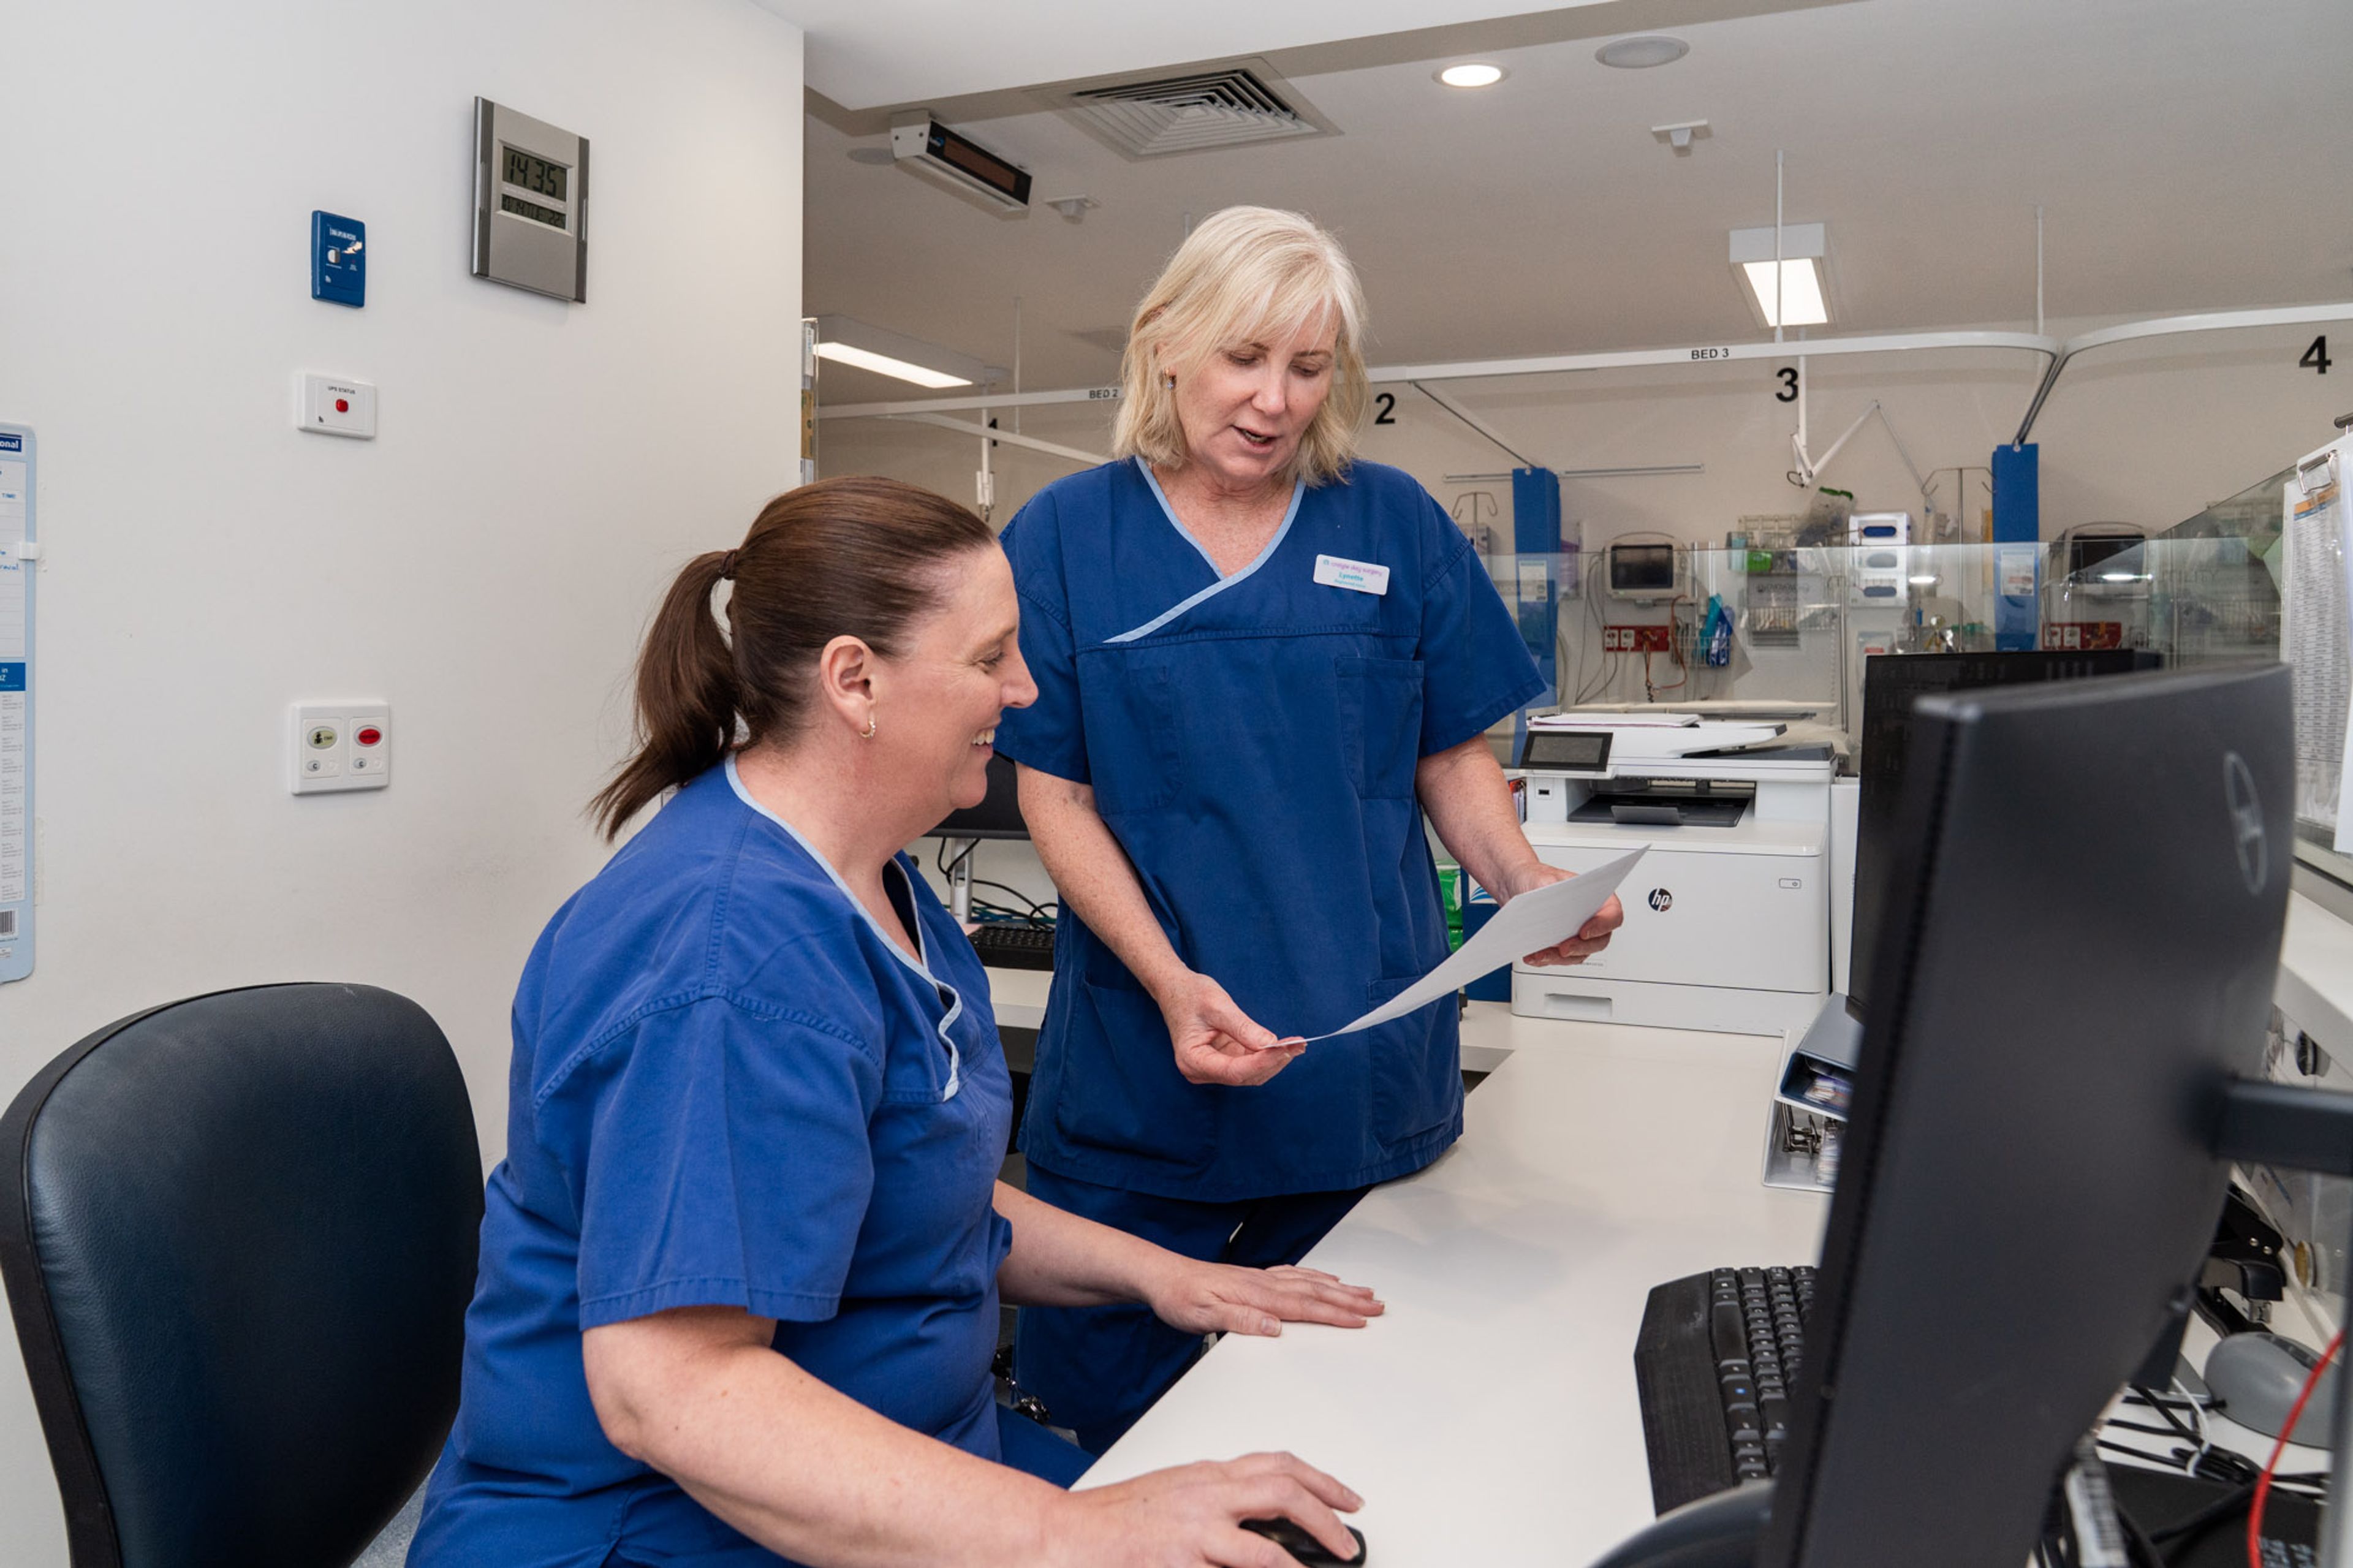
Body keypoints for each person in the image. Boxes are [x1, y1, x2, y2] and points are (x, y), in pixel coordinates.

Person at [408, 476, 1381, 1568]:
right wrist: (1066, 1534)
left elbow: (920, 1190)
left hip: (923, 1453)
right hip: (674, 1531)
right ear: (856, 681)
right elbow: (675, 1395)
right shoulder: (730, 965)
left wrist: (1164, 1274)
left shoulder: (873, 883)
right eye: (988, 658)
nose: (1021, 691)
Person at [995, 206, 1625, 1453]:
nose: (1276, 400)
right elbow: (1052, 794)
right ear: (1164, 344)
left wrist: (1520, 877)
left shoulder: (1391, 523)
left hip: (1356, 1067)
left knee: (1349, 1436)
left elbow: (1448, 751)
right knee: (1111, 1441)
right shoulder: (1068, 537)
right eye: (1244, 358)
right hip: (1144, 1078)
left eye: (1309, 365)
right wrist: (1174, 984)